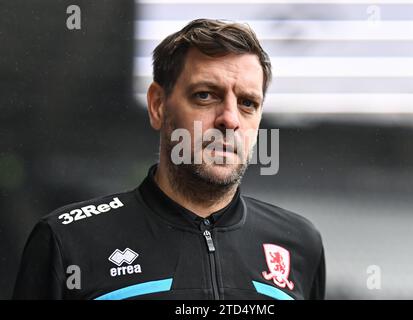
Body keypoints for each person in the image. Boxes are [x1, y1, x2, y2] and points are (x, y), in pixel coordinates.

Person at [13, 19, 325, 300]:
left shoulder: (299, 243)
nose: (230, 119)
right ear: (158, 105)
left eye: (247, 103)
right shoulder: (68, 241)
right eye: (205, 94)